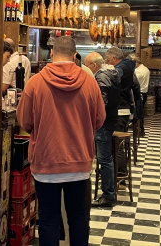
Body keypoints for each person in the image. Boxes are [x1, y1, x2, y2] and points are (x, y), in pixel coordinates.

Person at [17, 36, 105, 245]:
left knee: (48, 220)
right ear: (75, 56)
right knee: (79, 218)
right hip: (79, 162)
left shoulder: (35, 83)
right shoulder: (90, 82)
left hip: (46, 162)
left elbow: (25, 121)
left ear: (53, 53)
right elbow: (100, 120)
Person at [84, 52, 120, 207]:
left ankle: (108, 195)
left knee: (104, 159)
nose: (87, 69)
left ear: (94, 65)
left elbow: (102, 101)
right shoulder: (111, 73)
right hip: (110, 120)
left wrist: (93, 115)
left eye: (87, 66)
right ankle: (108, 193)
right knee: (106, 158)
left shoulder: (101, 77)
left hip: (104, 123)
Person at [132, 55, 150, 136]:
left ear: (136, 63)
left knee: (138, 113)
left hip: (139, 93)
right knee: (140, 112)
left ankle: (140, 130)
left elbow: (134, 83)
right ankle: (139, 130)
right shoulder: (145, 69)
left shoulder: (138, 72)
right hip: (144, 93)